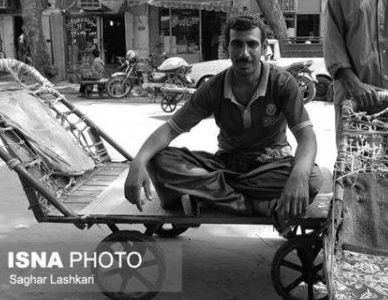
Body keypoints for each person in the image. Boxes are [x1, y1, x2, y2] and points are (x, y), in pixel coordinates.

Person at [124, 14, 322, 224]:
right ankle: (250, 205)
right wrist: (138, 161)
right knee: (158, 160)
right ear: (227, 48)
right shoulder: (213, 87)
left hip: (270, 165)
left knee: (311, 178)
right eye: (237, 44)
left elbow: (306, 136)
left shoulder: (282, 83)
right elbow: (170, 129)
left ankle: (211, 194)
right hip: (226, 165)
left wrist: (299, 175)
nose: (244, 53)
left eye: (252, 45)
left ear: (264, 48)